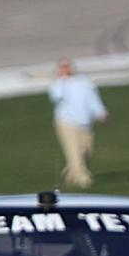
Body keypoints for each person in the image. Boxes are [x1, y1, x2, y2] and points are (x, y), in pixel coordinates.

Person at [48, 57, 108, 188]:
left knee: (86, 151)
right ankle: (84, 180)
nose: (66, 70)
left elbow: (92, 97)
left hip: (85, 122)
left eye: (68, 67)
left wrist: (100, 111)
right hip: (67, 121)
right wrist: (61, 80)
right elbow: (56, 97)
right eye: (63, 67)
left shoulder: (84, 81)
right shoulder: (58, 84)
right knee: (74, 151)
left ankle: (70, 174)